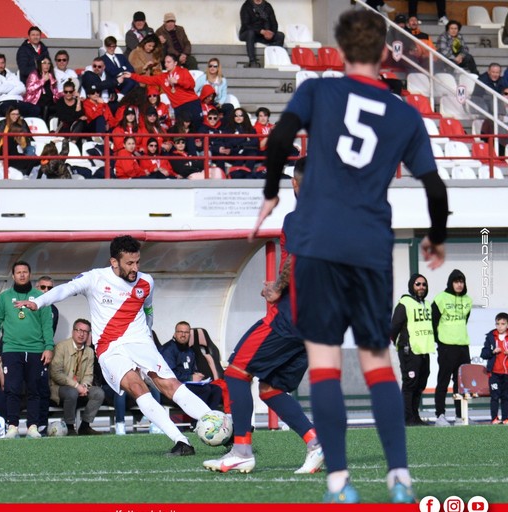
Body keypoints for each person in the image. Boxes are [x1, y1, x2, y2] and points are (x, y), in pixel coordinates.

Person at [251, 10, 448, 503]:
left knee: (324, 366)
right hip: (368, 245)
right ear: (385, 53)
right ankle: (399, 475)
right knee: (379, 362)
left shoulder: (318, 91)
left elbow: (278, 139)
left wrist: (272, 191)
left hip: (318, 244)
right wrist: (437, 237)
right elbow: (434, 185)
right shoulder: (404, 113)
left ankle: (339, 481)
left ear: (339, 50)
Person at [15, 235, 213, 455]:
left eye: (137, 262)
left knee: (170, 385)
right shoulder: (95, 278)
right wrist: (38, 301)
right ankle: (181, 441)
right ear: (114, 262)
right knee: (137, 387)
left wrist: (147, 333)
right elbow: (65, 290)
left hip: (140, 341)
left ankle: (221, 426)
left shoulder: (146, 282)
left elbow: (148, 308)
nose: (135, 268)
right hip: (110, 347)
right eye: (129, 263)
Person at [205, 158, 324, 474]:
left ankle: (242, 449)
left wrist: (277, 287)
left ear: (297, 184)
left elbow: (294, 261)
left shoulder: (298, 218)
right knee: (269, 388)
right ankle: (315, 444)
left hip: (290, 317)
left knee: (236, 372)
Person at [0, 261, 54, 439]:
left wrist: (48, 347)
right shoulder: (5, 297)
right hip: (12, 349)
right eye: (18, 272)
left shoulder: (40, 297)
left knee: (34, 389)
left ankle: (32, 426)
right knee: (12, 388)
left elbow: (47, 324)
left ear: (30, 274)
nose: (22, 275)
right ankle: (13, 426)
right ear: (13, 276)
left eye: (25, 272)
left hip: (35, 350)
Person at [390, 274, 434, 426]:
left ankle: (415, 417)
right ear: (412, 286)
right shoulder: (405, 303)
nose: (421, 287)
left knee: (420, 384)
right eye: (418, 284)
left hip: (424, 350)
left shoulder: (427, 304)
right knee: (410, 384)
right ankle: (407, 419)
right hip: (410, 350)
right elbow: (394, 326)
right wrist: (398, 343)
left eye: (424, 284)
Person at [49, 318, 105, 435]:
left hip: (80, 386)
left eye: (85, 332)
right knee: (72, 392)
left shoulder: (89, 351)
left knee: (98, 393)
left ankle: (85, 425)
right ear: (73, 331)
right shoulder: (61, 347)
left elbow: (89, 374)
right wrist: (76, 386)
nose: (81, 334)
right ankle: (69, 427)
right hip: (60, 387)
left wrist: (84, 385)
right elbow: (56, 373)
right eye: (79, 330)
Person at [432, 269, 472, 427]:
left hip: (463, 346)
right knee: (443, 381)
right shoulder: (441, 298)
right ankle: (440, 416)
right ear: (450, 283)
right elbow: (434, 322)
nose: (459, 284)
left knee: (461, 383)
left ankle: (460, 416)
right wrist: (440, 342)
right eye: (456, 281)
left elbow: (464, 321)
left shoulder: (468, 300)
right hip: (447, 347)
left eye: (461, 281)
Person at [122, 54, 202, 128]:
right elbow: (148, 80)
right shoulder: (163, 77)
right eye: (165, 62)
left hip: (191, 103)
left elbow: (191, 84)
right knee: (182, 130)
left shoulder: (183, 71)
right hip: (178, 107)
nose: (166, 64)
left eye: (169, 62)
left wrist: (178, 82)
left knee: (197, 126)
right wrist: (132, 75)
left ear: (175, 63)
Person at [161, 321, 222, 411]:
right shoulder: (168, 350)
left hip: (187, 384)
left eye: (186, 332)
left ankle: (209, 417)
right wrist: (190, 378)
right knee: (204, 390)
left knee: (216, 389)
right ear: (175, 333)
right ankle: (196, 421)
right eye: (180, 332)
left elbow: (191, 370)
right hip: (173, 387)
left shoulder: (189, 351)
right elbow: (169, 375)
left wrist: (197, 376)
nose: (183, 335)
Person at [0, 53, 39, 118]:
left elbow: (22, 88)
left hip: (17, 101)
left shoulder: (12, 75)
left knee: (36, 109)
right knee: (11, 113)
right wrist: (13, 85)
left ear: (5, 63)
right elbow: (0, 90)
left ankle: (26, 126)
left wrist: (7, 92)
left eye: (2, 63)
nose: (0, 65)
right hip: (3, 103)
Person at [239, 0, 285, 67]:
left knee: (280, 36)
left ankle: (272, 59)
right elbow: (246, 24)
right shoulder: (246, 6)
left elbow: (274, 23)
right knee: (250, 33)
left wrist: (271, 32)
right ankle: (252, 61)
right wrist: (262, 31)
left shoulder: (267, 6)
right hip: (248, 33)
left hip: (263, 34)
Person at [0, 105, 37, 175]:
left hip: (21, 146)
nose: (15, 116)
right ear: (8, 114)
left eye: (17, 114)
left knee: (32, 152)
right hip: (7, 149)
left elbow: (29, 137)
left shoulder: (22, 123)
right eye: (13, 114)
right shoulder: (3, 123)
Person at [481, 312, 508, 424]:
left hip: (506, 373)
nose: (500, 326)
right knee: (495, 396)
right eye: (497, 324)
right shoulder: (491, 336)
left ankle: (506, 418)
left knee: (506, 396)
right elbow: (483, 354)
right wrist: (493, 351)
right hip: (494, 373)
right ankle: (494, 418)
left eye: (503, 324)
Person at [24, 55, 62, 123]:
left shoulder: (51, 76)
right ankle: (44, 127)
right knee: (45, 107)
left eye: (48, 63)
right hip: (36, 102)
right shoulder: (34, 74)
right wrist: (43, 80)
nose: (46, 65)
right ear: (40, 64)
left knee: (62, 106)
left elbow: (55, 94)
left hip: (50, 102)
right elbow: (29, 90)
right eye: (44, 63)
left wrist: (65, 93)